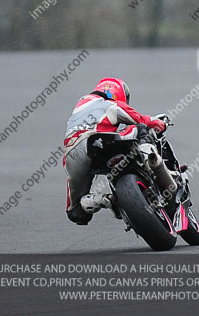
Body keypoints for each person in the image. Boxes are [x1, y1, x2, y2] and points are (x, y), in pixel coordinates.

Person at [62, 77, 167, 225]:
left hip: (71, 154)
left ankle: (104, 200)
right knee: (141, 128)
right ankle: (152, 164)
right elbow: (140, 119)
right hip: (98, 143)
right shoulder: (109, 104)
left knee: (76, 213)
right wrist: (160, 124)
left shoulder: (80, 106)